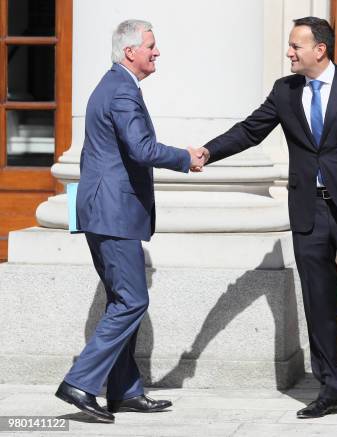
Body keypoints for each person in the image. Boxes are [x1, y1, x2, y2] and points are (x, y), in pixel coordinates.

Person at [200, 17, 337, 421]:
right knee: (318, 303)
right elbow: (251, 131)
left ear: (319, 49)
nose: (289, 52)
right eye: (290, 45)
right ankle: (329, 390)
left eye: (295, 45)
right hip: (309, 211)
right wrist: (207, 152)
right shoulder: (285, 91)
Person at [54, 19, 205, 423]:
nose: (156, 52)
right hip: (112, 214)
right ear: (129, 52)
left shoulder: (112, 85)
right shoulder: (121, 89)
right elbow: (141, 148)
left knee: (123, 301)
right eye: (151, 46)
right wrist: (184, 159)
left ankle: (125, 390)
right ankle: (80, 383)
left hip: (102, 210)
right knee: (134, 300)